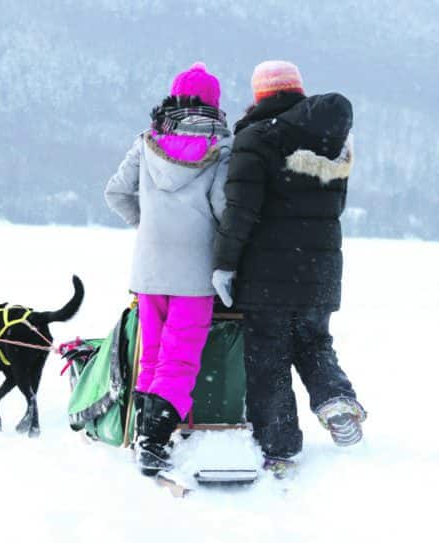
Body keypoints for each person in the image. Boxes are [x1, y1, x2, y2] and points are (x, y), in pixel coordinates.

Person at [211, 60, 366, 471]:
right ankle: (336, 399)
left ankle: (279, 447)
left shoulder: (257, 138)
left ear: (261, 94)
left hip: (268, 272)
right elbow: (335, 207)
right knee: (313, 342)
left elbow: (240, 210)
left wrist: (225, 264)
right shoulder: (335, 140)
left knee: (268, 359)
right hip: (321, 268)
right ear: (297, 91)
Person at [104, 62, 231, 478]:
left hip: (149, 271)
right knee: (179, 361)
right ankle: (154, 443)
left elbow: (116, 192)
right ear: (213, 104)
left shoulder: (145, 143)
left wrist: (147, 223)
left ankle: (145, 430)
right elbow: (223, 209)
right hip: (194, 274)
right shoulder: (221, 149)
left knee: (152, 357)